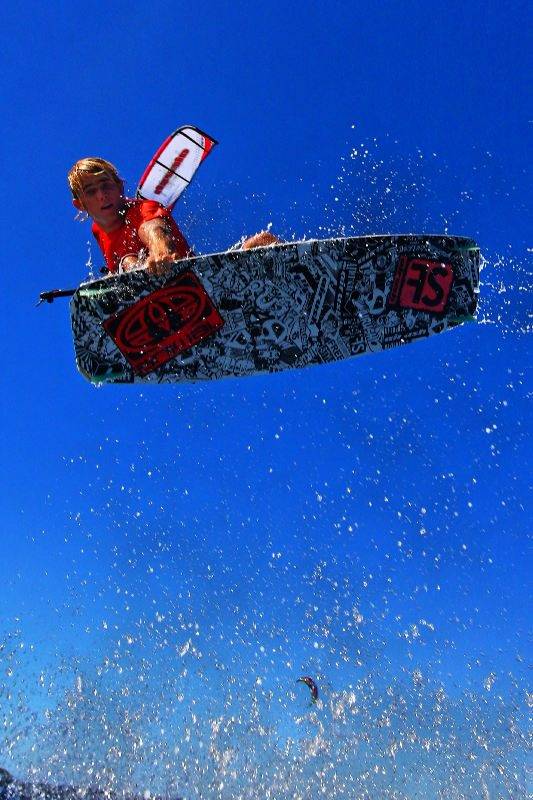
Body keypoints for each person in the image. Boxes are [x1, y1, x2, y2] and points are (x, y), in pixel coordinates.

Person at [68, 157, 279, 276]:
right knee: (123, 266)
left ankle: (255, 251)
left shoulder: (141, 210)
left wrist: (161, 250)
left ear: (119, 187)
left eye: (106, 185)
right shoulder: (98, 231)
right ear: (80, 205)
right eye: (91, 192)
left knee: (129, 262)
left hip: (195, 282)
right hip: (163, 311)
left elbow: (153, 227)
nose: (102, 195)